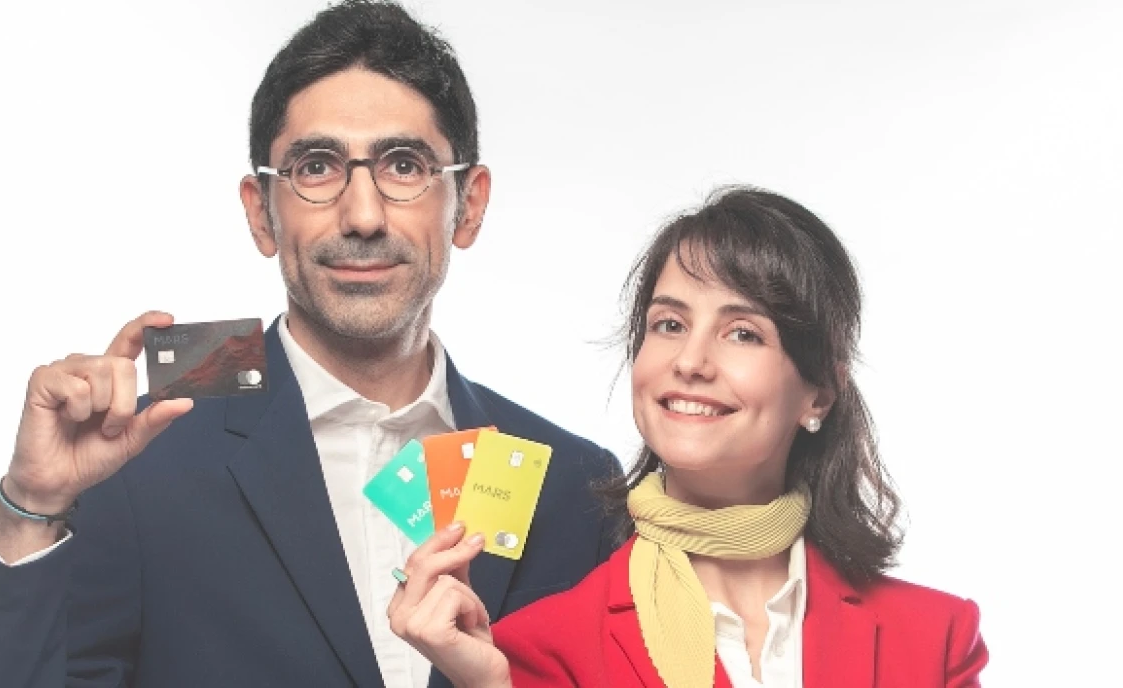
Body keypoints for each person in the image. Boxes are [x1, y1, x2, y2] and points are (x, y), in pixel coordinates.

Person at [0, 0, 623, 688]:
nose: (363, 216)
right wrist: (30, 510)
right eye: (317, 168)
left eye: (404, 166)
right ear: (261, 214)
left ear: (468, 205)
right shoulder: (134, 461)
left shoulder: (576, 486)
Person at [389, 186, 990, 687]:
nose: (691, 361)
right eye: (670, 324)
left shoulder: (936, 637)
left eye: (744, 333)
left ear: (820, 394)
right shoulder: (538, 651)